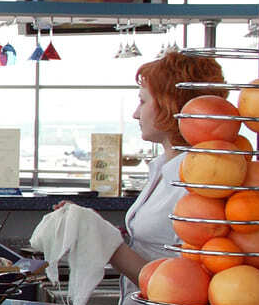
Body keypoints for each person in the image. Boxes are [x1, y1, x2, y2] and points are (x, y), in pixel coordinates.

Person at [89, 51, 228, 291]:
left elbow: (183, 286)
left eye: (143, 101)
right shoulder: (163, 168)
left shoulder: (197, 184)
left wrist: (106, 243)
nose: (135, 113)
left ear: (169, 105)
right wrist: (100, 229)